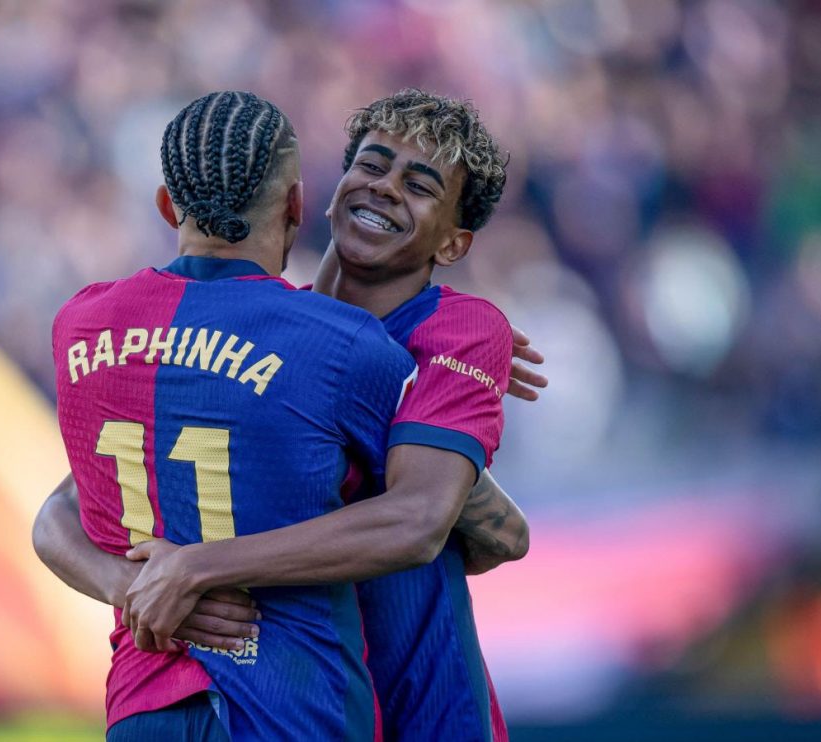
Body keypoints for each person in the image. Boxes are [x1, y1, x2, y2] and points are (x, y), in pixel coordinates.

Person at [38, 89, 540, 741]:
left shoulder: (458, 328)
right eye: (372, 164)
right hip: (303, 701)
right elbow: (62, 506)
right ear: (316, 199)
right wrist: (134, 583)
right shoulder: (289, 341)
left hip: (428, 711)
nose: (386, 188)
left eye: (419, 185)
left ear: (453, 243)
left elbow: (453, 524)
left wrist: (192, 568)